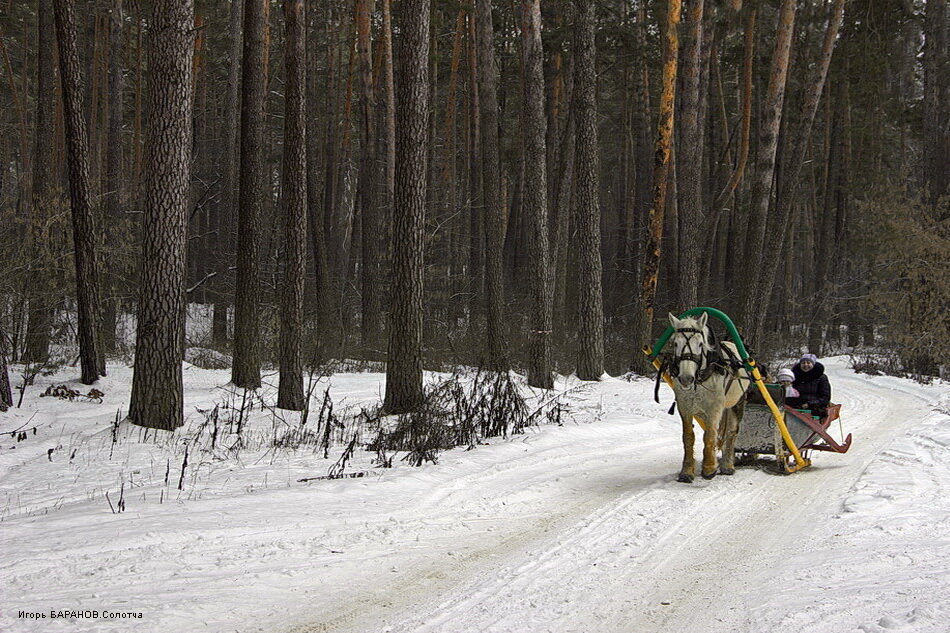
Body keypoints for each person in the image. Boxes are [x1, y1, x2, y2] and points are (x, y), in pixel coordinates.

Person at [786, 353, 831, 417]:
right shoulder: (794, 376)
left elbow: (825, 397)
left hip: (813, 408)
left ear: (813, 364)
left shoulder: (821, 377)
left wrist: (810, 404)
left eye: (808, 363)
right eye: (803, 363)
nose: (805, 365)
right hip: (795, 407)